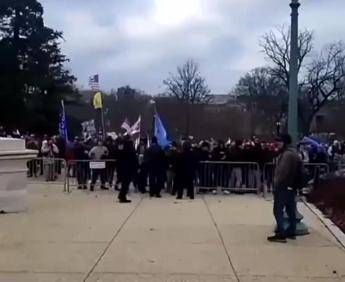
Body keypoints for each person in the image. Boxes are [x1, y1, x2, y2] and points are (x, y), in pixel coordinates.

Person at [267, 134, 301, 243]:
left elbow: (282, 172)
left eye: (279, 141)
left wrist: (276, 183)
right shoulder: (294, 153)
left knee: (277, 210)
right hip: (291, 187)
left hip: (283, 186)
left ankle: (281, 233)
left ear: (285, 142)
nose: (277, 143)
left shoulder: (286, 155)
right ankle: (291, 231)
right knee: (290, 211)